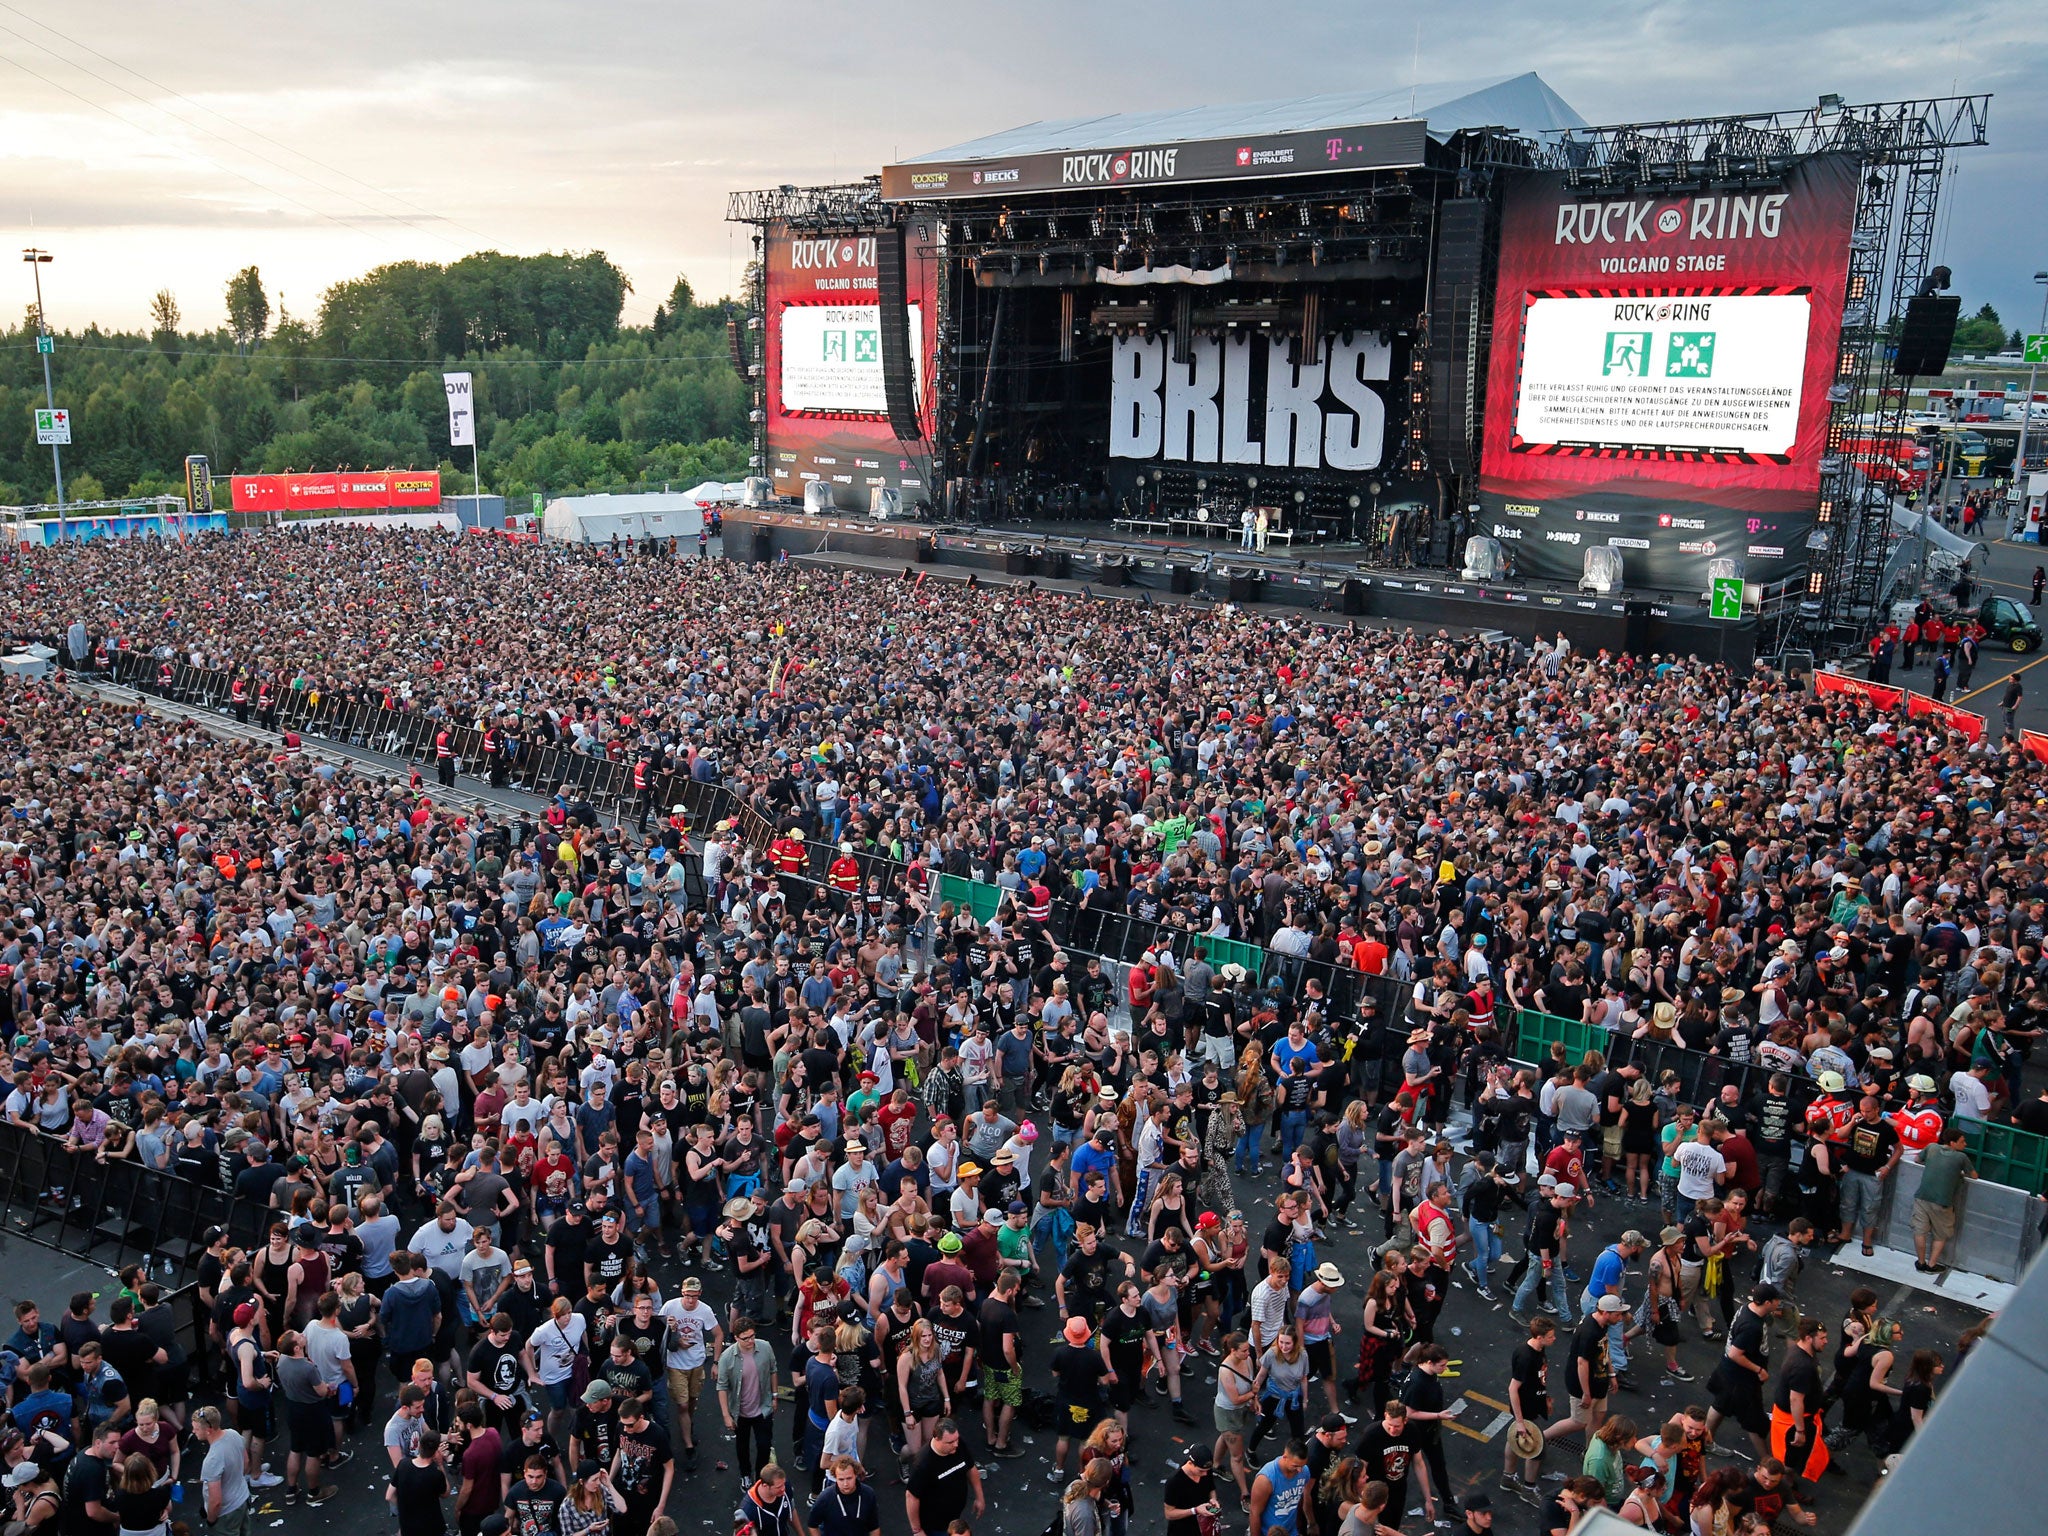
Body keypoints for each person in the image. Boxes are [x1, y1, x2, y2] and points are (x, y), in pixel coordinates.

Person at [1769, 1317, 1830, 1486]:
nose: (1826, 1341)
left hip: (1797, 1419)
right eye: (1822, 1338)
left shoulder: (1799, 1350)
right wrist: (1800, 1430)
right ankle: (1786, 1488)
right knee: (1789, 1461)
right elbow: (1796, 1400)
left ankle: (1787, 1485)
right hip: (1794, 1423)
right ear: (1809, 1338)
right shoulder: (1803, 1366)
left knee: (1792, 1457)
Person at [1909, 1126, 1976, 1273]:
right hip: (1943, 1202)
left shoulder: (1931, 1147)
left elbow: (1917, 1159)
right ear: (1953, 1143)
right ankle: (1932, 1265)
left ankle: (1921, 1262)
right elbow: (1974, 1175)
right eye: (1962, 1141)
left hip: (1922, 1197)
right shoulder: (1961, 1157)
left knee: (1920, 1231)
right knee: (1941, 1234)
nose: (1965, 1144)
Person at [903, 1418, 982, 1536]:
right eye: (950, 1442)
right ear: (936, 1438)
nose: (956, 1444)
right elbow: (911, 1497)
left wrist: (980, 1497)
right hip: (935, 1525)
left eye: (956, 1439)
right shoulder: (923, 1464)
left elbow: (970, 1468)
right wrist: (917, 1530)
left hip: (954, 1517)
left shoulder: (958, 1444)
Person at [193, 1407, 252, 1536]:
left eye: (196, 1428)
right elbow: (246, 1463)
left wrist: (211, 1521)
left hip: (226, 1513)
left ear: (208, 1430)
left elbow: (216, 1501)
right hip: (242, 1499)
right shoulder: (233, 1434)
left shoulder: (212, 1460)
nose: (193, 1431)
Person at [1247, 1440, 1312, 1536]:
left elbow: (1299, 1500)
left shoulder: (1304, 1471)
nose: (1300, 1470)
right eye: (1296, 1466)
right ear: (1285, 1457)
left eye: (1302, 1465)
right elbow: (1254, 1513)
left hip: (1291, 1531)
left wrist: (1299, 1528)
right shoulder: (1266, 1479)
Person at [808, 1456, 880, 1536]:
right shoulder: (825, 1498)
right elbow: (812, 1525)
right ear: (835, 1478)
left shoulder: (868, 1494)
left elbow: (874, 1527)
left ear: (856, 1475)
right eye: (841, 1479)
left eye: (849, 1478)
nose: (845, 1484)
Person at [1162, 1444, 1220, 1536]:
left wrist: (1213, 1499)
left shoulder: (1206, 1470)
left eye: (1207, 1470)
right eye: (1201, 1471)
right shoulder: (1174, 1482)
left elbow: (1211, 1488)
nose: (1205, 1474)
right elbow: (1169, 1513)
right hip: (1183, 1530)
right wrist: (1195, 1510)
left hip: (1204, 1525)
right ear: (1190, 1463)